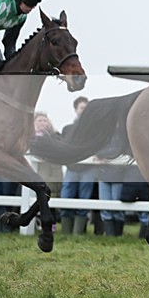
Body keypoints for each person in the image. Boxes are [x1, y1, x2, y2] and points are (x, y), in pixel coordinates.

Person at [59, 97, 96, 235]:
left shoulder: (94, 130)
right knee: (66, 197)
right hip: (72, 169)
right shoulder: (67, 129)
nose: (84, 111)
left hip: (88, 169)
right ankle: (66, 232)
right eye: (81, 108)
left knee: (84, 201)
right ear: (76, 110)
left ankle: (78, 233)